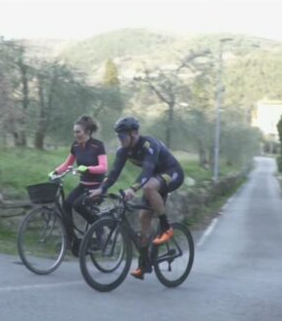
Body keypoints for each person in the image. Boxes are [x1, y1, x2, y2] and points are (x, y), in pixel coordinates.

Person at [89, 116, 184, 280]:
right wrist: (101, 189)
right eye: (118, 136)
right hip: (156, 179)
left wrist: (133, 189)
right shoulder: (123, 151)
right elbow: (113, 174)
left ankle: (166, 227)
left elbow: (147, 171)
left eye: (123, 136)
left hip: (172, 173)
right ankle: (144, 264)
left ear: (134, 134)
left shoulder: (149, 145)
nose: (120, 139)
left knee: (148, 187)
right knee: (143, 218)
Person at [50, 115, 107, 257]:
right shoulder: (75, 146)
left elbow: (103, 167)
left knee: (78, 205)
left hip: (97, 187)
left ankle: (100, 229)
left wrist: (87, 169)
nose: (76, 135)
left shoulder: (98, 145)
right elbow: (68, 164)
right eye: (74, 132)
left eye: (78, 132)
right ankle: (72, 241)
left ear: (87, 131)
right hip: (83, 185)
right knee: (66, 205)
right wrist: (55, 172)